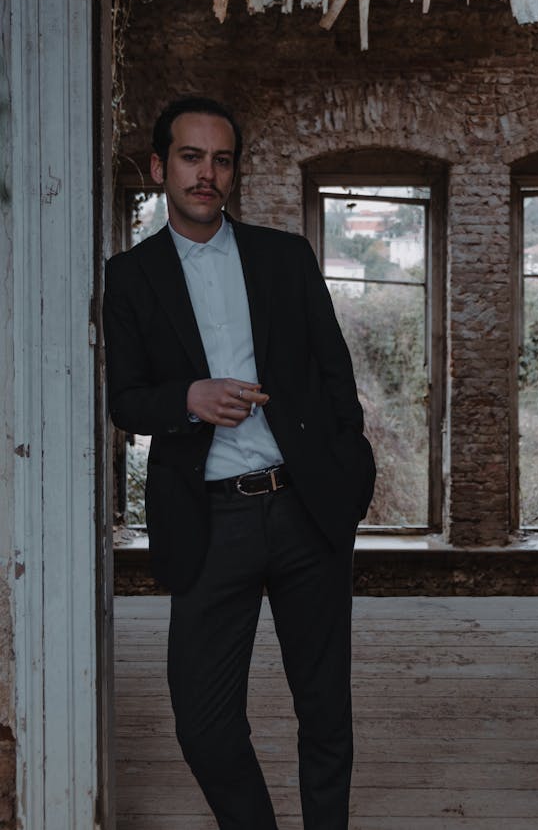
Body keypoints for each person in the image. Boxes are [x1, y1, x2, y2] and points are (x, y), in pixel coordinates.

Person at [103, 96, 375, 830]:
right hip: (207, 516)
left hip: (303, 510)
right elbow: (125, 397)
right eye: (191, 157)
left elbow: (334, 375)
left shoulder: (284, 257)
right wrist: (187, 397)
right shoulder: (129, 277)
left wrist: (349, 483)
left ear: (233, 172)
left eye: (221, 160)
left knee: (324, 709)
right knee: (203, 722)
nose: (206, 174)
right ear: (162, 167)